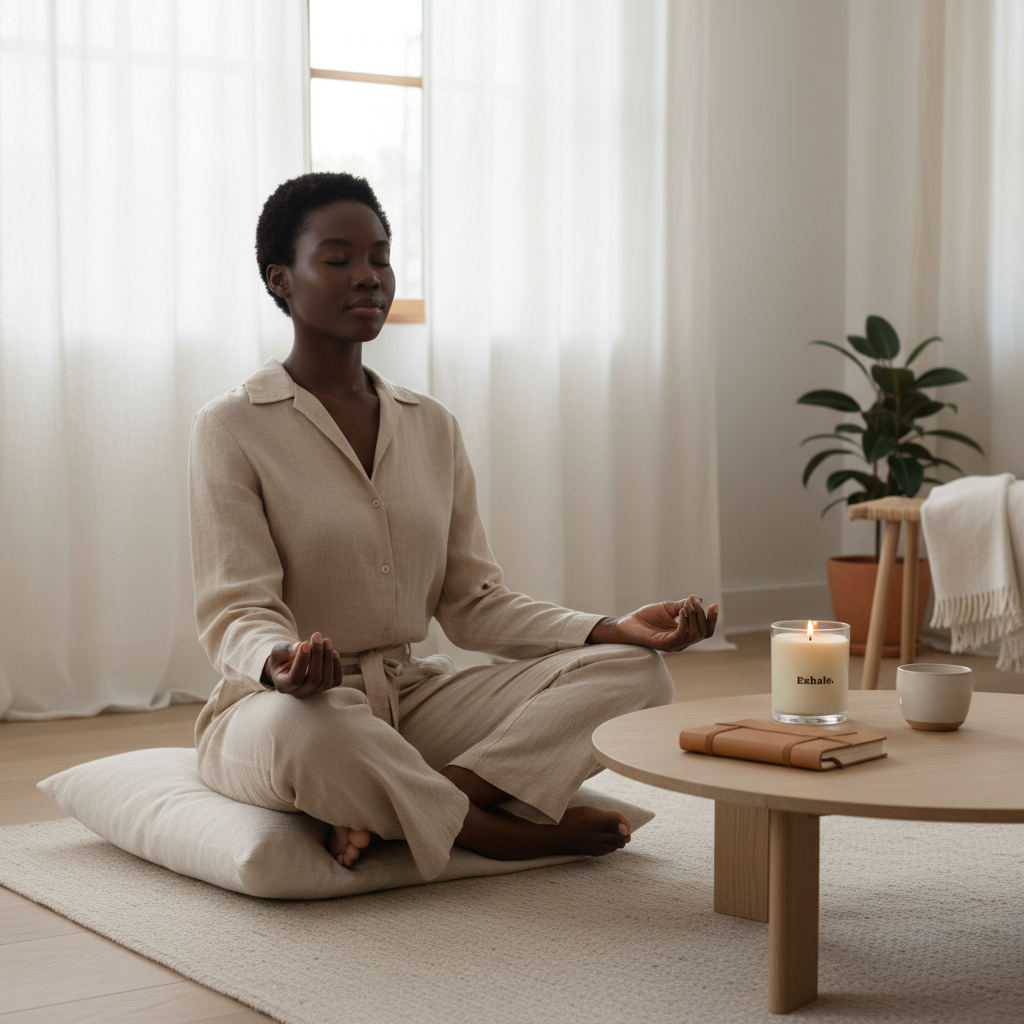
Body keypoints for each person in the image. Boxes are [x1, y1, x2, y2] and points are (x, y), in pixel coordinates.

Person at [189, 172, 719, 881]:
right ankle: (495, 834)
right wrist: (278, 660)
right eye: (339, 259)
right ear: (280, 279)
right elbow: (234, 609)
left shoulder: (430, 425)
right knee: (310, 732)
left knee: (637, 675)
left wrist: (613, 628)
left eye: (380, 257)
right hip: (286, 709)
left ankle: (427, 807)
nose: (369, 277)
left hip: (408, 702)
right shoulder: (231, 426)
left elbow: (474, 605)